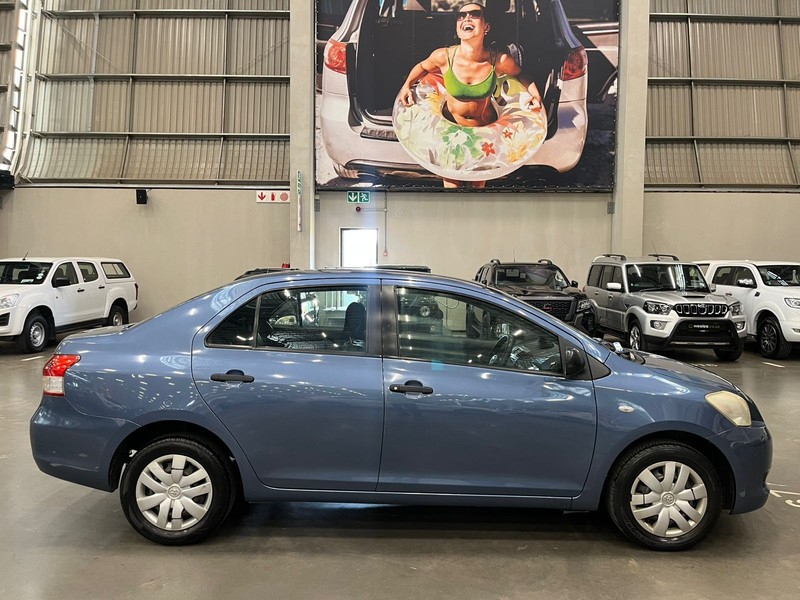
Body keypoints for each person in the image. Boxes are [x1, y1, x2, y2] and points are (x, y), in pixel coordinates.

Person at [398, 2, 544, 188]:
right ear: (457, 29)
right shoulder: (444, 56)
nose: (466, 18)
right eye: (461, 16)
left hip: (483, 135)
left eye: (474, 14)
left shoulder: (498, 60)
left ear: (486, 27)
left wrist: (535, 95)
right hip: (450, 135)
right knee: (452, 189)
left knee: (477, 191)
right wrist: (406, 86)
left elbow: (521, 74)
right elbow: (422, 66)